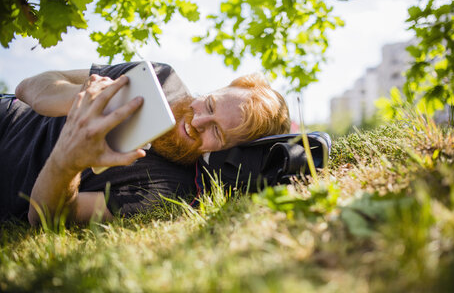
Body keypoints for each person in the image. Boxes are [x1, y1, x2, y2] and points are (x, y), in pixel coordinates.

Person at [0, 62, 290, 226]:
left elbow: (46, 218)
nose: (198, 121)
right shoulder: (159, 78)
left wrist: (67, 161)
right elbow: (29, 86)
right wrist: (85, 101)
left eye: (217, 131)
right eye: (210, 104)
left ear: (227, 152)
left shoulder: (168, 191)